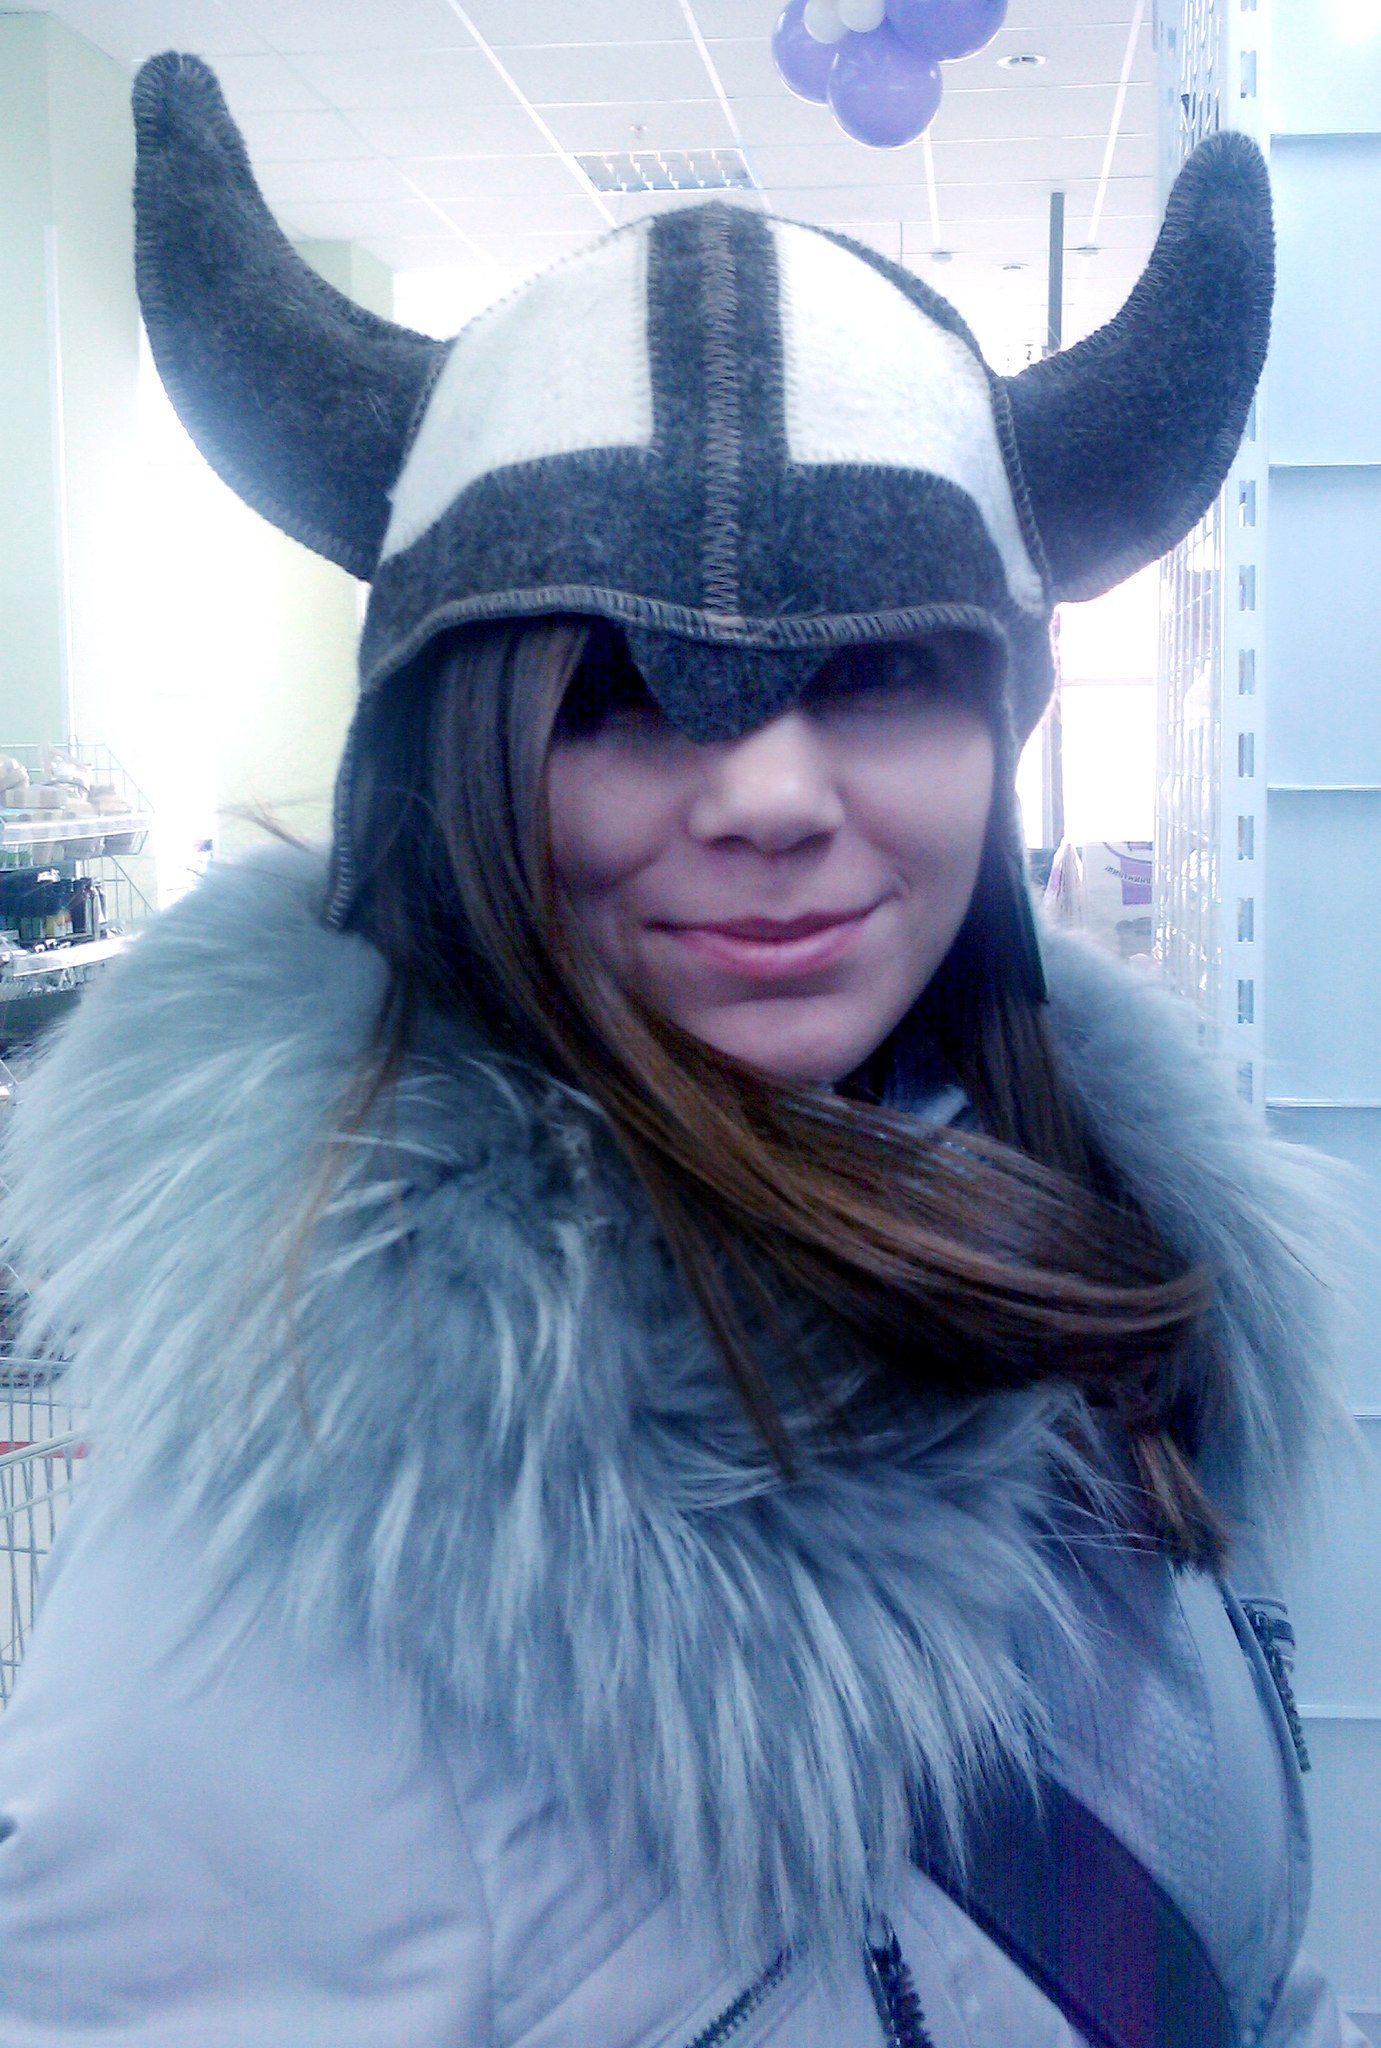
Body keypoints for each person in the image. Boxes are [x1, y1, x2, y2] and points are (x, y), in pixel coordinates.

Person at [0, 50, 1365, 2048]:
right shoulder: (265, 1592)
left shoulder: (1082, 1240)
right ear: (449, 768)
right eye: (621, 695)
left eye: (882, 671)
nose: (773, 799)